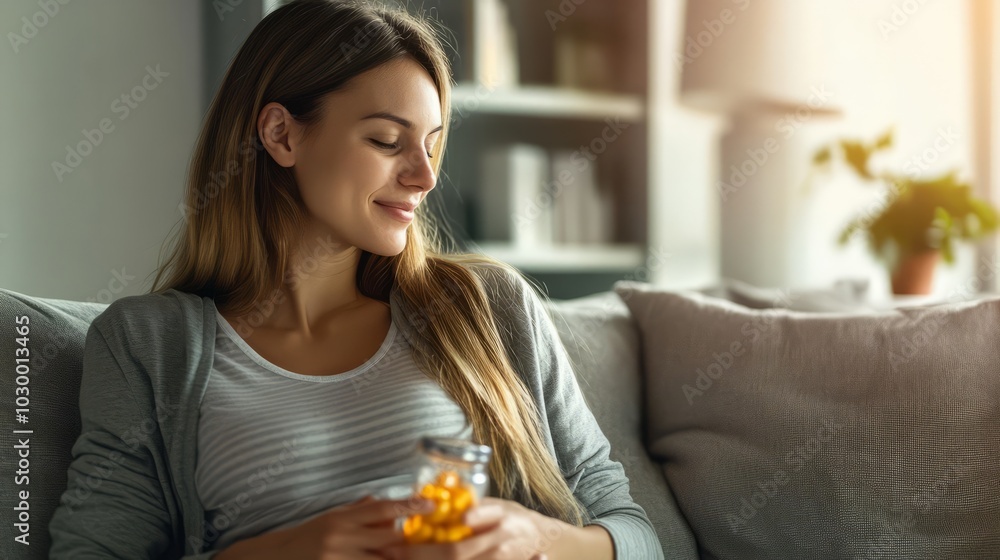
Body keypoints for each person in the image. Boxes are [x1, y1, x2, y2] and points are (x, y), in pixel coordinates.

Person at [47, 1, 663, 558]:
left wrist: (540, 539)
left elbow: (639, 537)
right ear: (281, 134)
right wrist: (283, 552)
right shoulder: (146, 344)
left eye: (431, 145)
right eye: (387, 141)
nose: (425, 177)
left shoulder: (485, 307)